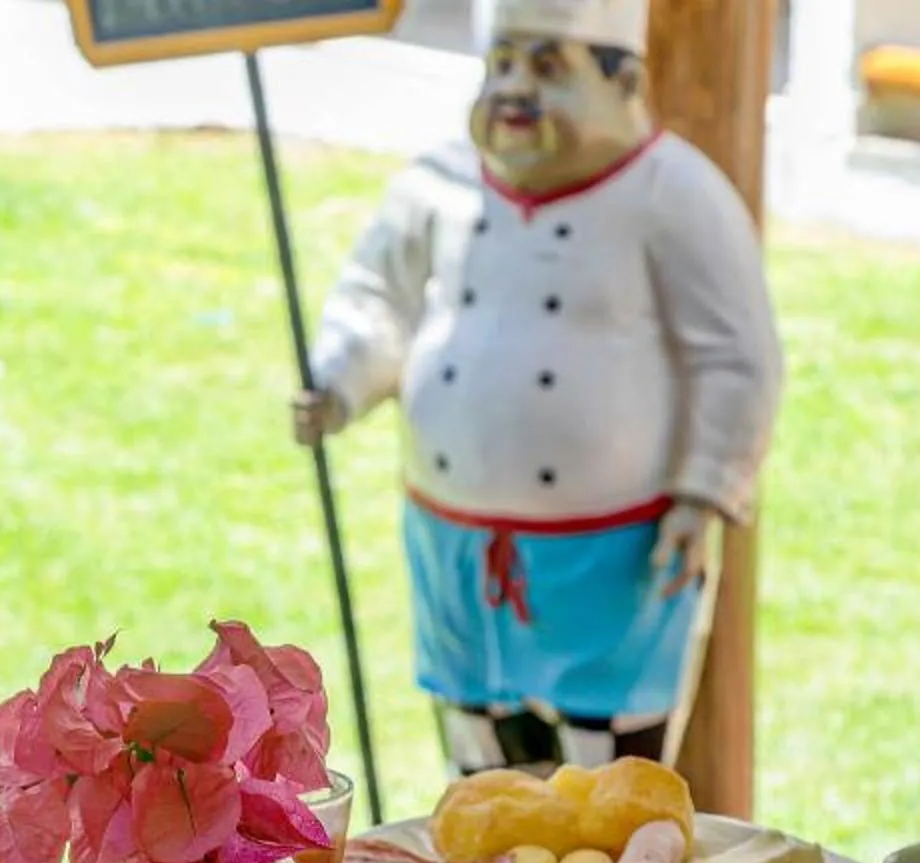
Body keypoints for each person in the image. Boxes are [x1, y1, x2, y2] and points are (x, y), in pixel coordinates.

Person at [293, 0, 782, 777]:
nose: (516, 90)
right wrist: (339, 379)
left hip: (612, 552)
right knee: (480, 754)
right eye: (504, 64)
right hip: (455, 545)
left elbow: (734, 354)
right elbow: (379, 299)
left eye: (548, 68)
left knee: (604, 765)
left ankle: (603, 851)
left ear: (623, 84)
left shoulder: (673, 192)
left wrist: (705, 490)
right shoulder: (439, 182)